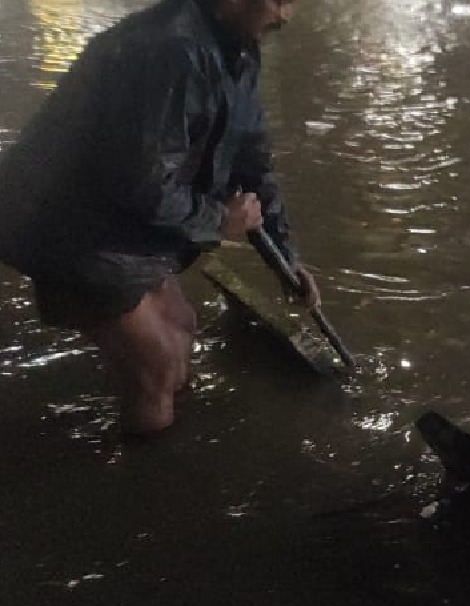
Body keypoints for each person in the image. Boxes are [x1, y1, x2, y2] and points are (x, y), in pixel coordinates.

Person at [0, 0, 320, 435]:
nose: (285, 15)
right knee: (158, 368)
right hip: (70, 227)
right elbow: (138, 181)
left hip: (124, 220)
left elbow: (251, 156)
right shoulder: (169, 50)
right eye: (278, 1)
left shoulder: (237, 46)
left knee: (181, 327)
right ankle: (144, 475)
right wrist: (218, 220)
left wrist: (286, 257)